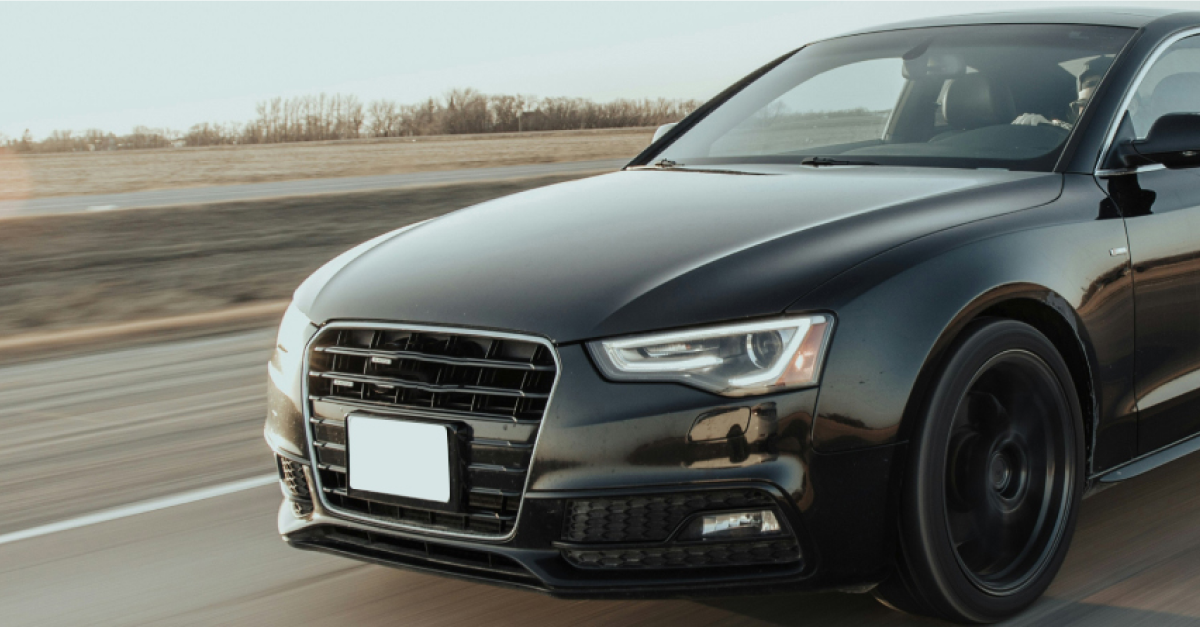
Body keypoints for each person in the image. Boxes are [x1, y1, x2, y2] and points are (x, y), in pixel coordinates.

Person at [1012, 57, 1113, 130]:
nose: (1091, 111)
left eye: (1100, 104)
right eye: (1083, 104)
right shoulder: (1068, 132)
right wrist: (1038, 124)